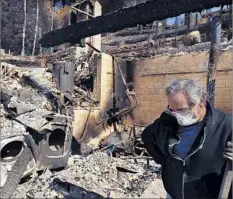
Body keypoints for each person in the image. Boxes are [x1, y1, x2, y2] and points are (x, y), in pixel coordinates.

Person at [141, 79, 232, 199]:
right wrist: (165, 161)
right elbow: (147, 136)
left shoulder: (226, 125)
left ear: (200, 102)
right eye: (172, 109)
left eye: (182, 110)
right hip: (174, 194)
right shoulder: (168, 120)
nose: (177, 115)